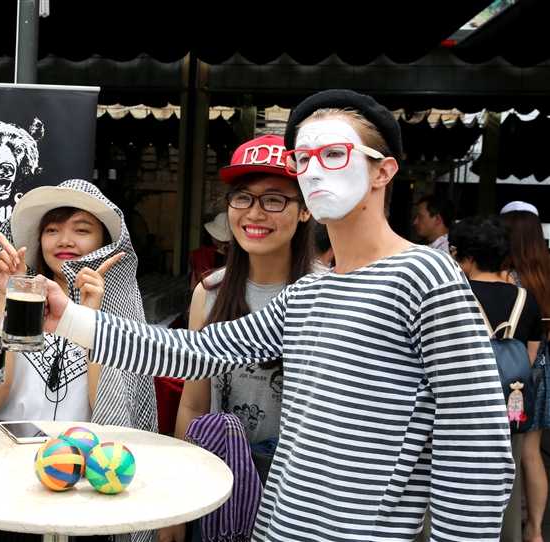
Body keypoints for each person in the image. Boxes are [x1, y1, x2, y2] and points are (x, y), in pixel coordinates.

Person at [43, 90, 514, 542]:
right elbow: (197, 352)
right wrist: (68, 318)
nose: (315, 171)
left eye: (334, 154)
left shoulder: (425, 276)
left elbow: (476, 448)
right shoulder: (309, 292)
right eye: (303, 159)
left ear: (383, 171)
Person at [0, 179, 158, 542]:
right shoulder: (21, 301)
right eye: (52, 230)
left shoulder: (119, 315)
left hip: (86, 482)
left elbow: (109, 409)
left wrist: (92, 318)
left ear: (103, 243)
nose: (64, 240)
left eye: (81, 230)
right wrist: (6, 297)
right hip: (8, 476)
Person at [159, 134, 312, 542]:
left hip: (296, 494)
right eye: (243, 197)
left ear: (305, 210)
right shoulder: (209, 293)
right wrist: (177, 507)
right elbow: (193, 404)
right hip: (218, 483)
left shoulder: (327, 293)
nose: (255, 213)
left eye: (274, 199)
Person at [449, 215, 544, 542]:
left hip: (462, 408)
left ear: (467, 258)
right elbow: (530, 356)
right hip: (509, 405)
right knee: (508, 473)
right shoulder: (525, 299)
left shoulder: (454, 297)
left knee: (456, 477)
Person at [500, 201, 550, 542]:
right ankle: (535, 529)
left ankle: (505, 524)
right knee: (532, 453)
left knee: (507, 452)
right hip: (543, 368)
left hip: (511, 373)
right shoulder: (546, 274)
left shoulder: (507, 278)